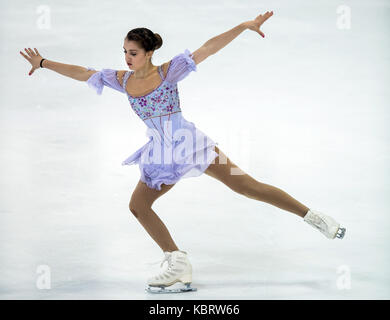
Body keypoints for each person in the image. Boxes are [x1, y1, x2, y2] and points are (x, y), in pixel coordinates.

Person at [20, 10, 345, 294]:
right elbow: (84, 72)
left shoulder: (169, 71)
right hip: (162, 155)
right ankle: (176, 261)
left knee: (245, 185)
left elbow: (208, 48)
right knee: (139, 206)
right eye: (124, 52)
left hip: (191, 145)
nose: (127, 58)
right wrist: (44, 63)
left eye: (133, 52)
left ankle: (313, 217)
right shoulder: (122, 80)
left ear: (148, 53)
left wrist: (243, 26)